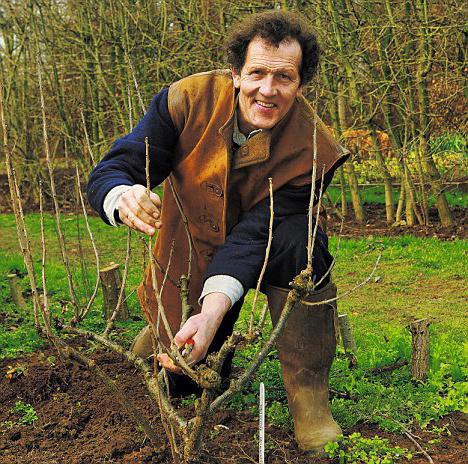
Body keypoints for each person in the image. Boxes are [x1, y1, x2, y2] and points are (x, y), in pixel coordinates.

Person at [87, 10, 349, 453]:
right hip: (188, 251)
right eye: (257, 73)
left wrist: (212, 313)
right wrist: (121, 194)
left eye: (284, 77)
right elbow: (120, 164)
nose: (268, 90)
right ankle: (162, 331)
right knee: (185, 383)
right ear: (235, 73)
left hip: (261, 250)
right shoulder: (186, 100)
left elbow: (255, 237)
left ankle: (310, 402)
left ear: (301, 84)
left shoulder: (314, 149)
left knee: (303, 247)